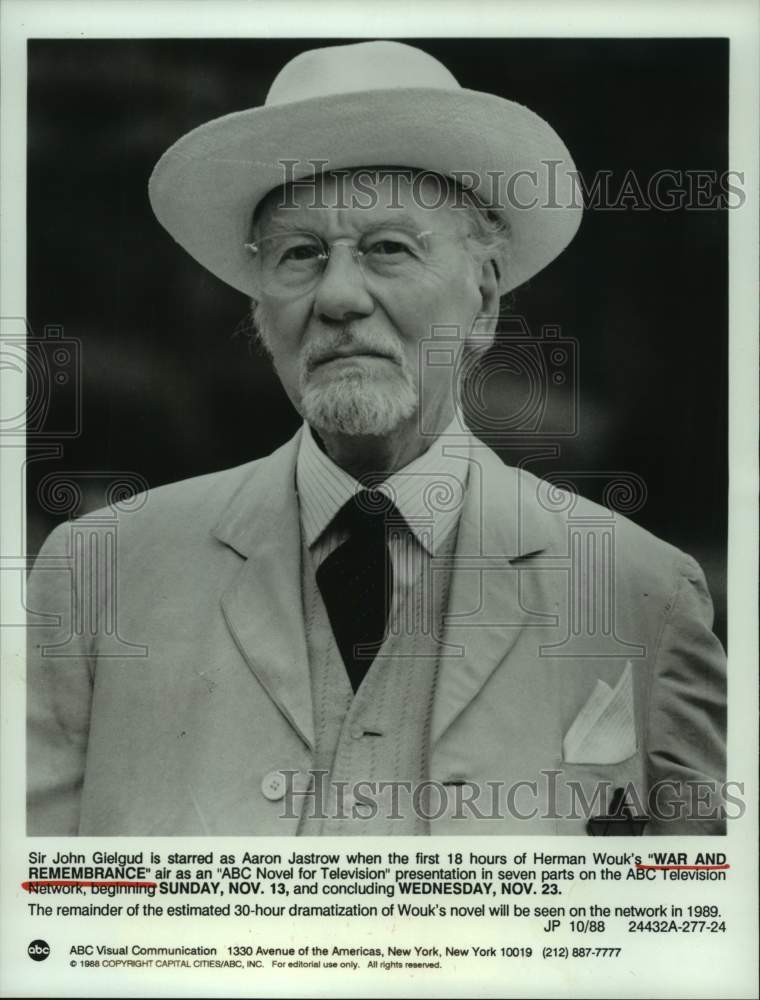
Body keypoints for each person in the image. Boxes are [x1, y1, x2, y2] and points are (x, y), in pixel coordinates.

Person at [26, 40, 726, 836]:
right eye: (300, 255)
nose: (338, 297)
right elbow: (33, 924)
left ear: (485, 302)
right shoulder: (98, 575)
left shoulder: (646, 593)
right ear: (260, 310)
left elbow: (694, 929)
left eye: (389, 249)